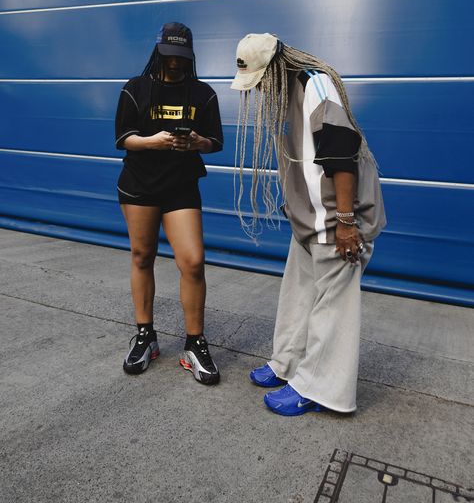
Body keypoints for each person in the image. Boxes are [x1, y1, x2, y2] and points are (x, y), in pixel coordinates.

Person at [231, 33, 386, 415]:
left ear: (276, 69)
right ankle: (287, 362)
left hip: (338, 224)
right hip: (309, 222)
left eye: (262, 81)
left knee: (333, 308)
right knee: (298, 294)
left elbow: (341, 157)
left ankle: (321, 389)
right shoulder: (287, 93)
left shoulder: (317, 86)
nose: (261, 90)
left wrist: (346, 224)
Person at [115, 22, 223, 384]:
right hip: (139, 185)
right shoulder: (136, 88)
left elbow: (215, 142)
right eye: (170, 56)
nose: (175, 63)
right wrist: (154, 141)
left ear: (190, 57)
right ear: (159, 51)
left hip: (181, 187)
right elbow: (123, 138)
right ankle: (146, 335)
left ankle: (195, 343)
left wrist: (196, 142)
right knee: (142, 256)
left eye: (182, 58)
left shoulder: (203, 94)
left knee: (192, 261)